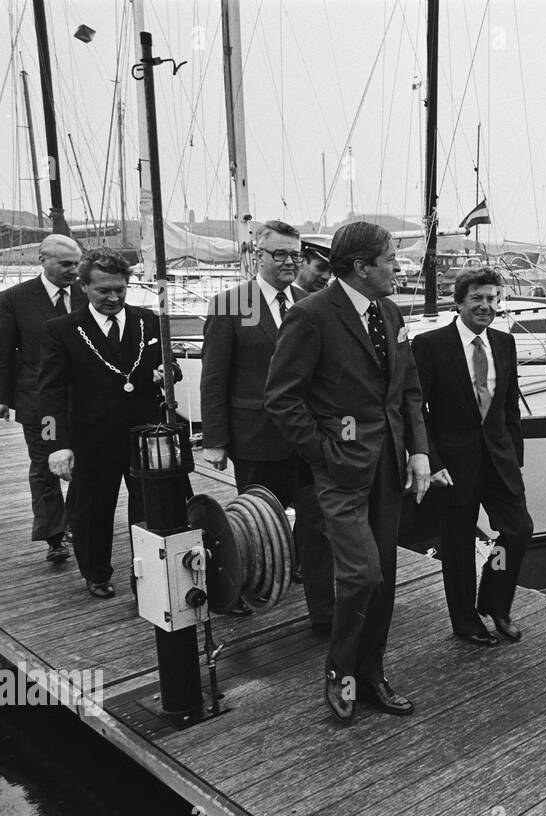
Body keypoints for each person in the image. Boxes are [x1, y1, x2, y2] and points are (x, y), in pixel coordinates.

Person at [265, 221, 431, 723]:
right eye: (390, 260)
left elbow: (408, 391)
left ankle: (373, 672)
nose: (397, 268)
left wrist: (419, 452)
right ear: (361, 266)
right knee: (361, 574)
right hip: (340, 470)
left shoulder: (391, 312)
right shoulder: (311, 316)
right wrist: (323, 452)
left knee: (383, 578)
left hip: (389, 466)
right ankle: (340, 670)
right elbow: (281, 397)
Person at [200, 220, 334, 631]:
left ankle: (313, 597)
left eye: (295, 254)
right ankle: (243, 587)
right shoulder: (230, 305)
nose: (289, 261)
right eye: (280, 254)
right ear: (258, 256)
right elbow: (214, 376)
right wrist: (216, 440)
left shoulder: (309, 302)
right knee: (256, 521)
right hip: (255, 437)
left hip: (305, 438)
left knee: (314, 520)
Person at [36, 248, 180, 599]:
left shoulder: (148, 321)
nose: (113, 297)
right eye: (104, 291)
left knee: (149, 510)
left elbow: (170, 367)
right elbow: (48, 394)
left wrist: (167, 372)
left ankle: (144, 577)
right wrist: (55, 445)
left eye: (120, 289)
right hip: (92, 440)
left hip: (145, 438)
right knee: (91, 512)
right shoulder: (62, 331)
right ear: (84, 287)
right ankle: (96, 573)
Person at [413, 267, 532, 648]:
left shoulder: (504, 342)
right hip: (452, 464)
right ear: (459, 300)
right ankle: (465, 621)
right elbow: (416, 409)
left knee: (518, 529)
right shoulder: (430, 344)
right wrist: (429, 460)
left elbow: (509, 405)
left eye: (493, 298)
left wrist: (515, 453)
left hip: (499, 459)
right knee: (459, 545)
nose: (486, 306)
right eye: (478, 298)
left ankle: (495, 603)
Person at [0, 235, 87, 564]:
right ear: (43, 260)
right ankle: (54, 535)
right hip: (40, 406)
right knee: (45, 465)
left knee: (85, 465)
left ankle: (77, 522)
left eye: (77, 264)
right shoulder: (15, 299)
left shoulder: (85, 294)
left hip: (82, 403)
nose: (74, 271)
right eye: (66, 264)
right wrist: (3, 397)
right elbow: (4, 353)